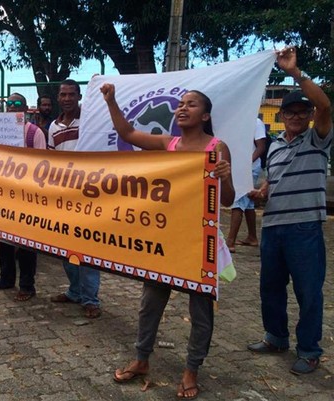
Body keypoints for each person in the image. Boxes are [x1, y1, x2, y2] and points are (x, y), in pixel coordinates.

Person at [101, 83, 234, 400]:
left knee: (201, 312)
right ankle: (141, 358)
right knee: (149, 305)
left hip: (200, 243)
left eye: (191, 104)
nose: (183, 108)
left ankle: (191, 370)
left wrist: (225, 176)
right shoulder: (168, 143)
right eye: (181, 104)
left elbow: (227, 199)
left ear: (206, 115)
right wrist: (111, 100)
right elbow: (129, 134)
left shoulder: (217, 147)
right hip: (166, 241)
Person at [247, 47, 332, 375]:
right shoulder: (277, 145)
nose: (296, 116)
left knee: (308, 291)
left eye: (302, 111)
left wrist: (295, 73)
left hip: (305, 227)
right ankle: (276, 337)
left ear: (310, 115)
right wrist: (262, 190)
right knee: (269, 286)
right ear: (281, 115)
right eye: (290, 112)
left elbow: (325, 104)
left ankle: (309, 350)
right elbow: (273, 178)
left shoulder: (318, 139)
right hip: (273, 226)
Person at [47, 79, 101, 319]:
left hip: (88, 193)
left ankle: (91, 299)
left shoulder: (91, 120)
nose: (67, 98)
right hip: (63, 195)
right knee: (64, 248)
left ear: (79, 96)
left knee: (87, 247)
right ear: (58, 97)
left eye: (71, 94)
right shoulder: (53, 126)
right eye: (63, 94)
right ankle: (74, 291)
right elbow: (51, 161)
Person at [0, 93, 47, 301]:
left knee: (26, 244)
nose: (12, 107)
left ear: (25, 108)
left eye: (16, 104)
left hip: (26, 197)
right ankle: (6, 278)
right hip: (3, 194)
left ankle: (27, 285)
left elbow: (42, 164)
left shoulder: (34, 133)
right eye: (9, 104)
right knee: (4, 240)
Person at [225, 118, 267, 252]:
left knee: (239, 200)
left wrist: (246, 163)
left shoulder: (256, 122)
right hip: (239, 166)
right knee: (248, 203)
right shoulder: (236, 120)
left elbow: (261, 147)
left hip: (249, 167)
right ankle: (252, 237)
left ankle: (230, 242)